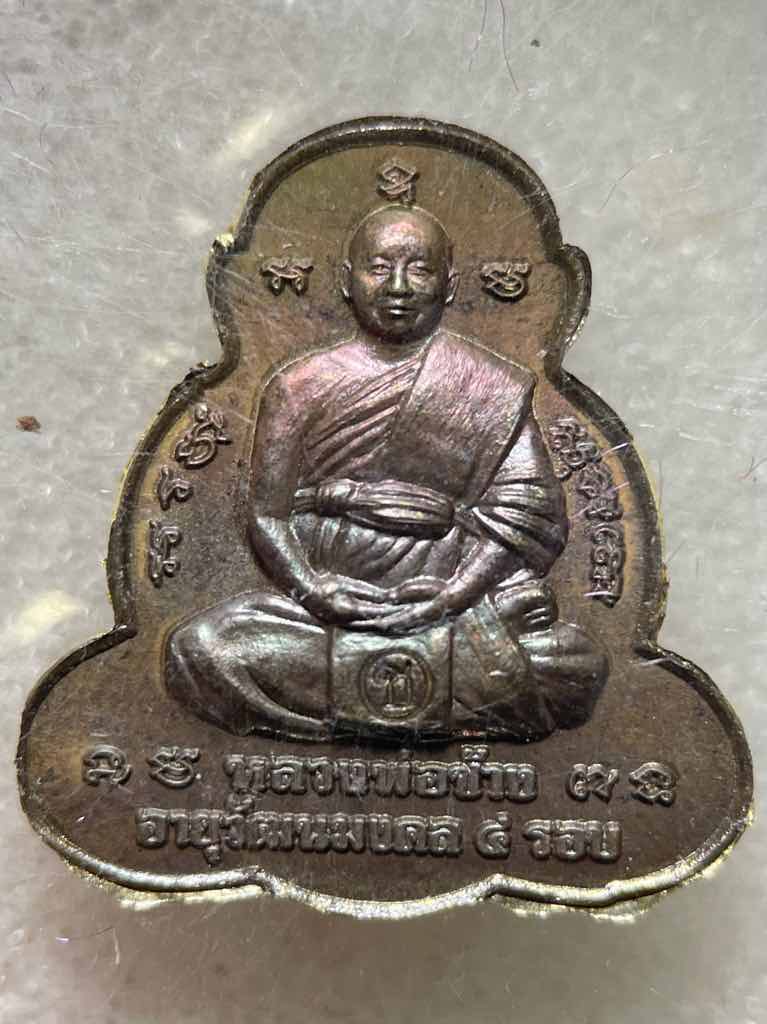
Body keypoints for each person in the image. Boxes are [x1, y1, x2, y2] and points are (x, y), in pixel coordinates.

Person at [166, 204, 608, 741]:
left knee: (578, 665)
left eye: (419, 269)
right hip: (322, 612)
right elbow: (266, 514)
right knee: (201, 650)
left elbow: (529, 515)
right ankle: (450, 694)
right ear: (346, 281)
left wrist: (453, 595)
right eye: (379, 268)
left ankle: (368, 700)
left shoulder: (490, 384)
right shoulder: (297, 384)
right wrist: (314, 591)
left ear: (449, 286)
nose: (398, 286)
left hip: (455, 603)